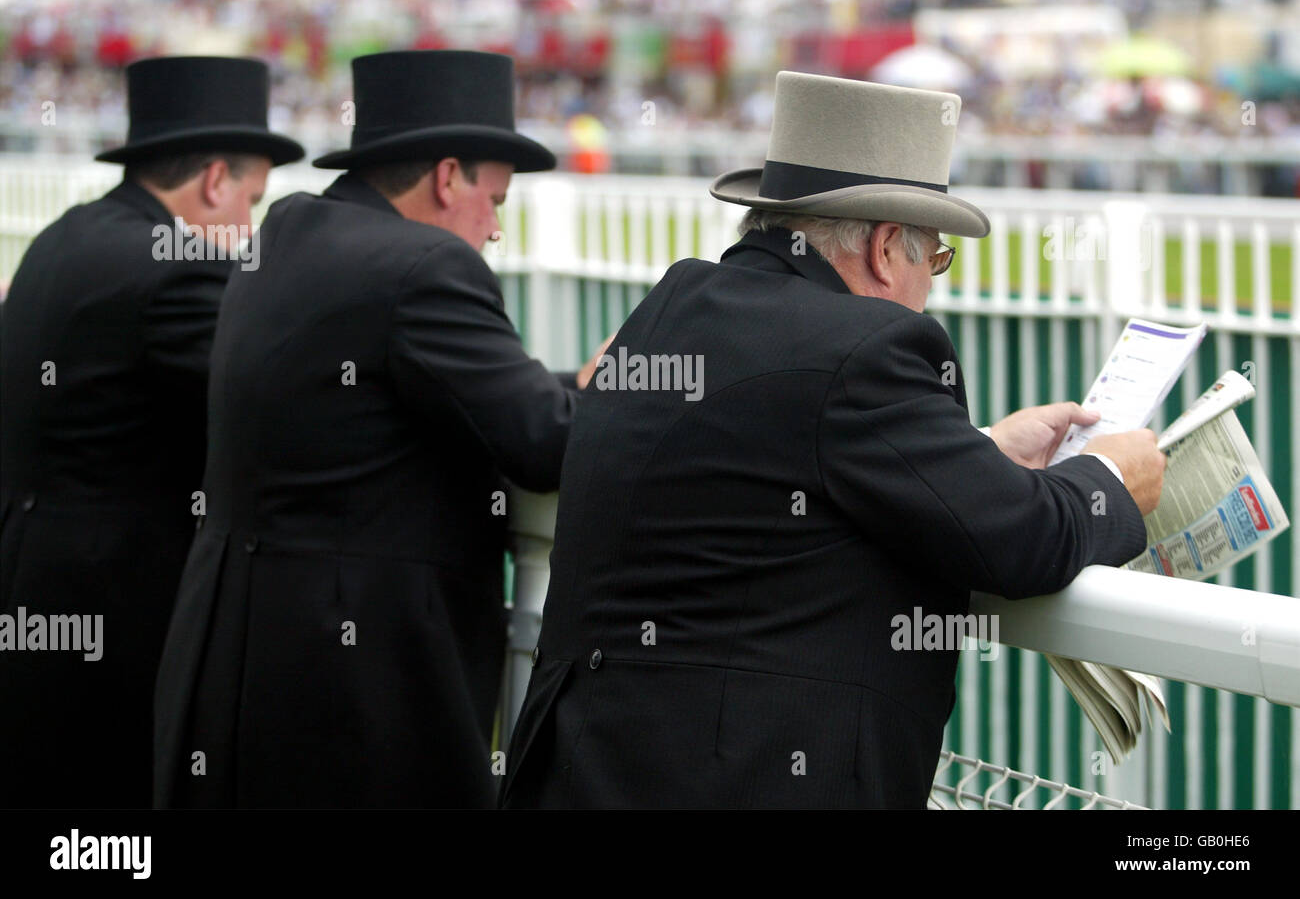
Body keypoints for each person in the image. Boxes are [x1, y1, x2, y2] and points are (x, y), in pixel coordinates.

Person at [499, 72, 1166, 809]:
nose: (929, 285)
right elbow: (1023, 540)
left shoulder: (673, 306)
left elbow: (781, 452)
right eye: (934, 259)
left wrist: (979, 452)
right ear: (886, 249)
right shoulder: (865, 345)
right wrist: (1107, 477)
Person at [153, 50, 607, 808]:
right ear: (447, 176)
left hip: (236, 648)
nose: (494, 230)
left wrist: (570, 385)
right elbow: (544, 443)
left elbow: (437, 386)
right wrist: (620, 395)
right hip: (353, 682)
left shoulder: (291, 229)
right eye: (495, 199)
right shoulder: (425, 264)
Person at [0, 56, 303, 808]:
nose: (249, 231)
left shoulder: (64, 238)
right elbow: (281, 402)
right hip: (114, 609)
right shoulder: (176, 271)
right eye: (253, 201)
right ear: (213, 181)